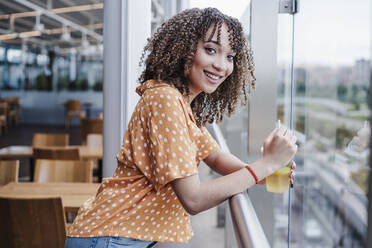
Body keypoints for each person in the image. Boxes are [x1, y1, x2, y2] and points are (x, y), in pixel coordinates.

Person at [65, 7, 297, 248]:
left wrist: (262, 174)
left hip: (119, 236)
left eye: (230, 56)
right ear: (184, 48)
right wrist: (266, 164)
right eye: (210, 50)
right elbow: (193, 199)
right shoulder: (165, 100)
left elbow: (215, 157)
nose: (221, 65)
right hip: (109, 238)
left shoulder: (182, 104)